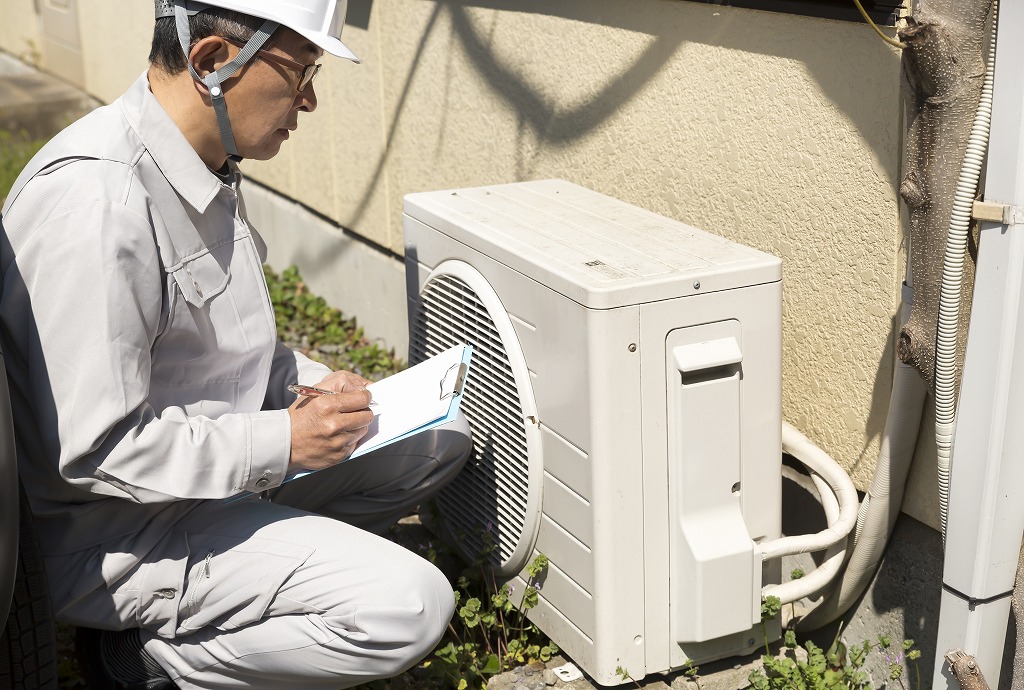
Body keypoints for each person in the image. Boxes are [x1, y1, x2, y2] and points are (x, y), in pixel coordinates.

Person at [0, 1, 473, 687]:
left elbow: (221, 344)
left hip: (204, 479)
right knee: (407, 606)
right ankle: (143, 660)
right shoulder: (100, 207)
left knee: (438, 438)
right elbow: (97, 450)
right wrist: (283, 443)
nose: (308, 101)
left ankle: (266, 584)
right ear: (214, 63)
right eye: (301, 72)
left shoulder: (199, 161)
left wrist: (307, 388)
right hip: (117, 535)